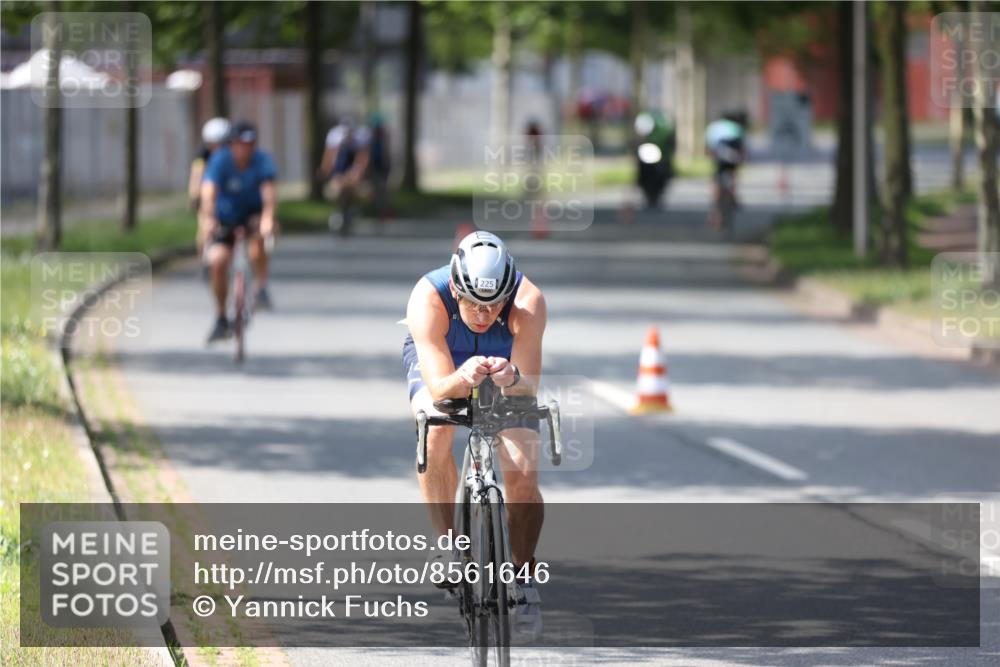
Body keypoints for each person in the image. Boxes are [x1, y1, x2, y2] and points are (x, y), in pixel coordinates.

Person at [403, 231, 547, 634]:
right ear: (455, 288)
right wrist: (460, 378)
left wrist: (511, 375)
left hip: (503, 359)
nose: (483, 314)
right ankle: (448, 542)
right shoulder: (427, 298)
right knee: (434, 432)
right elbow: (437, 388)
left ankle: (523, 574)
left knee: (521, 473)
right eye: (472, 303)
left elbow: (528, 384)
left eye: (493, 305)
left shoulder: (528, 302)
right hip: (446, 359)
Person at [199, 120, 278, 342]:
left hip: (253, 215)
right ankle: (221, 317)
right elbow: (208, 192)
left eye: (250, 144)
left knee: (260, 242)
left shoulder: (262, 160)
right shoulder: (220, 160)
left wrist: (268, 217)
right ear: (231, 144)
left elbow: (269, 192)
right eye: (240, 144)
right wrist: (208, 218)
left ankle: (261, 286)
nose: (245, 148)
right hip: (226, 218)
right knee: (218, 261)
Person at [318, 116, 370, 236]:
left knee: (353, 190)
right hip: (339, 172)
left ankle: (350, 211)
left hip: (352, 171)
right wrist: (325, 169)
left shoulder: (359, 140)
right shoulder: (335, 138)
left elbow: (362, 158)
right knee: (336, 190)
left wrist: (358, 172)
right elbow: (329, 156)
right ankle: (340, 212)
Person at [704, 110, 747, 228]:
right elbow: (742, 149)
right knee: (732, 174)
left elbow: (708, 148)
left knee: (716, 179)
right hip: (733, 152)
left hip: (718, 153)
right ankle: (733, 196)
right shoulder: (737, 128)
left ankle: (714, 208)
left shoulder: (713, 127)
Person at [366, 111, 391, 230]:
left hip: (382, 168)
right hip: (374, 168)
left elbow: (386, 155)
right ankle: (377, 213)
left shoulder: (383, 138)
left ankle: (381, 214)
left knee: (382, 191)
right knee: (376, 192)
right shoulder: (370, 139)